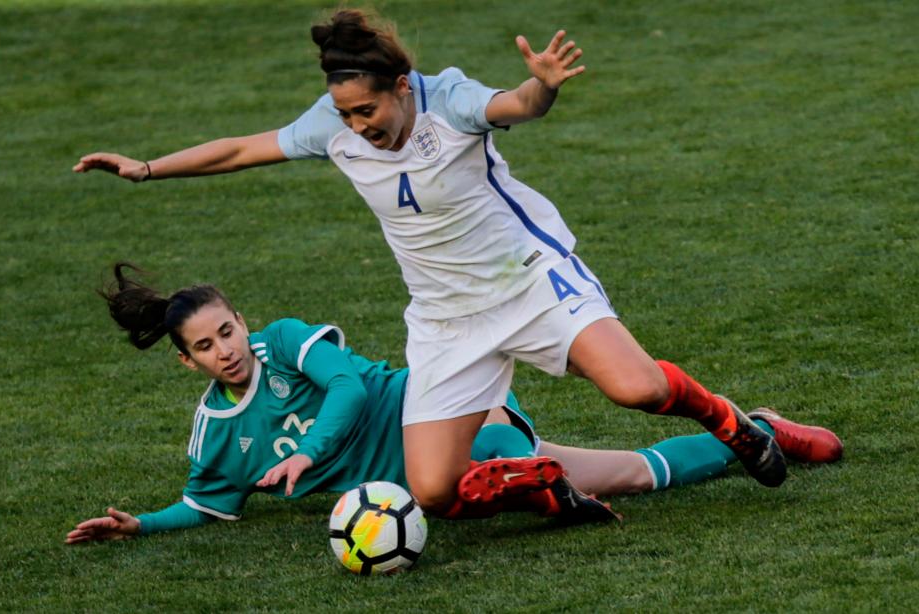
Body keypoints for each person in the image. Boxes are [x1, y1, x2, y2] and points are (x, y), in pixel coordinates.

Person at [74, 9, 791, 518]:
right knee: (435, 492)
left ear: (400, 87)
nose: (356, 127)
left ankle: (731, 423)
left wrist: (543, 85)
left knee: (635, 389)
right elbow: (238, 150)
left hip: (529, 281)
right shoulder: (333, 127)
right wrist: (145, 168)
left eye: (366, 110)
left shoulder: (448, 99)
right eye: (345, 113)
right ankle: (540, 482)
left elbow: (517, 103)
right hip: (447, 320)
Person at [65, 266, 841, 543]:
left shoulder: (287, 344)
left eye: (228, 329)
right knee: (635, 475)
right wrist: (141, 524)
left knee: (477, 467)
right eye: (206, 346)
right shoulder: (216, 435)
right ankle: (762, 430)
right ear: (186, 360)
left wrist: (308, 453)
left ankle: (526, 481)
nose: (227, 349)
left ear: (241, 319)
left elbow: (348, 385)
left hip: (447, 411)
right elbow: (204, 502)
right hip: (437, 474)